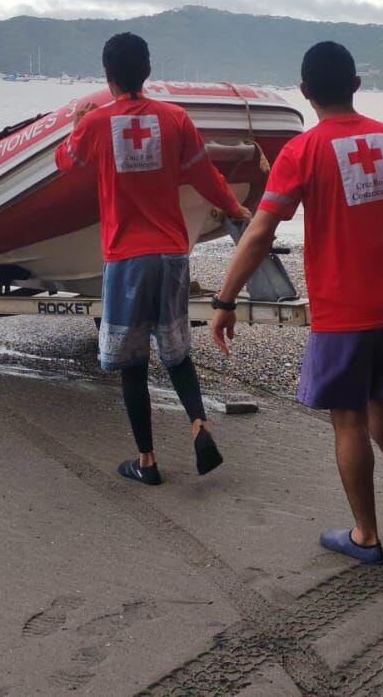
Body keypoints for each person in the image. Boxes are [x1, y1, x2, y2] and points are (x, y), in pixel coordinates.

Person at [211, 41, 383, 565]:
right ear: (355, 85)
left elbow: (259, 232)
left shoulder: (303, 152)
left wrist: (225, 298)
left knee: (347, 418)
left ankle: (365, 535)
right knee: (375, 394)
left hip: (346, 313)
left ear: (304, 92)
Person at [55, 32, 252, 486]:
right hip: (171, 253)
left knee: (132, 362)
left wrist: (77, 123)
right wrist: (237, 208)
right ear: (148, 70)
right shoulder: (175, 118)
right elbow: (206, 175)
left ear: (108, 76)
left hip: (127, 259)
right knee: (177, 351)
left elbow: (65, 161)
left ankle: (146, 461)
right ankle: (199, 425)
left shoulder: (96, 124)